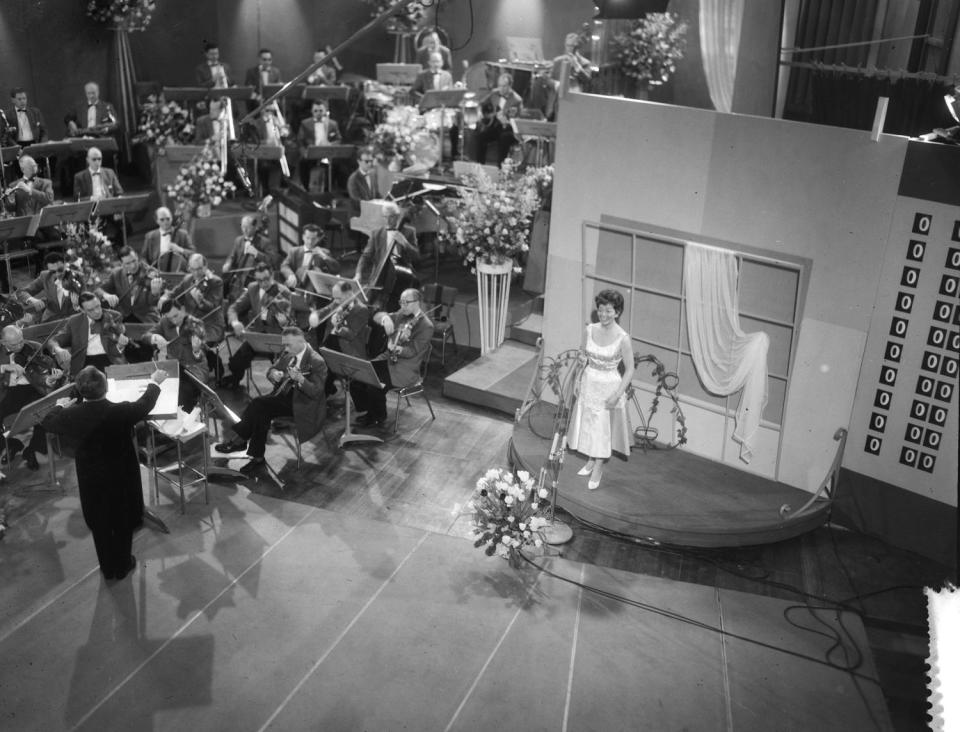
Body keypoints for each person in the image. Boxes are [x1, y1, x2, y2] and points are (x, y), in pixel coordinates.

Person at [41, 365, 168, 581]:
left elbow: (48, 423)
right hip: (121, 476)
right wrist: (155, 381)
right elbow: (145, 404)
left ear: (80, 392)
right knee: (122, 521)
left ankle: (108, 568)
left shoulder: (71, 415)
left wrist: (59, 406)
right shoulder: (120, 411)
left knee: (100, 524)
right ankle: (123, 564)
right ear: (106, 387)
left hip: (91, 478)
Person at [215, 326, 326, 472]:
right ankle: (256, 456)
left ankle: (240, 440)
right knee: (261, 410)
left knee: (258, 404)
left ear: (301, 342)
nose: (285, 348)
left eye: (288, 344)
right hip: (283, 395)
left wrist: (300, 379)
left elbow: (315, 392)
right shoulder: (289, 353)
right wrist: (274, 374)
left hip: (303, 403)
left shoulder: (316, 361)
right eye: (284, 344)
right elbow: (271, 370)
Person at [566, 289, 635, 490]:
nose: (604, 315)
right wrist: (578, 381)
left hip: (609, 387)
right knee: (588, 424)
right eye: (601, 310)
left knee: (602, 429)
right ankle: (590, 460)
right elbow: (582, 356)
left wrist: (617, 394)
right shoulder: (589, 330)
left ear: (617, 312)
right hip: (589, 382)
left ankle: (598, 467)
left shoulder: (623, 338)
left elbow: (630, 370)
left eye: (609, 311)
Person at [353, 288, 433, 427]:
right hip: (388, 358)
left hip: (405, 368)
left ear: (417, 302)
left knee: (374, 384)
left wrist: (398, 348)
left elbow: (413, 351)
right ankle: (370, 409)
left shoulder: (426, 326)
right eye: (401, 302)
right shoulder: (401, 315)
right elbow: (376, 315)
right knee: (359, 375)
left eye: (406, 303)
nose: (402, 306)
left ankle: (378, 416)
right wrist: (384, 319)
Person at [0, 325, 63, 471]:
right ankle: (11, 445)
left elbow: (41, 374)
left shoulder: (34, 347)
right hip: (6, 391)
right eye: (14, 344)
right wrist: (4, 367)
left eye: (21, 341)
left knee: (42, 413)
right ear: (3, 342)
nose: (20, 346)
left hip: (33, 388)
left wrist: (51, 379)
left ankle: (32, 450)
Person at [222, 262, 292, 389]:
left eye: (266, 279)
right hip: (258, 336)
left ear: (272, 275)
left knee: (280, 371)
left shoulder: (283, 292)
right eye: (259, 280)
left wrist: (284, 323)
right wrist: (235, 322)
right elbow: (233, 308)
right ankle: (235, 384)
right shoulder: (253, 288)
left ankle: (281, 392)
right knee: (235, 363)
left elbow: (292, 321)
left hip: (278, 339)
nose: (263, 284)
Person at [143, 300, 210, 412]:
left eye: (176, 316)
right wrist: (155, 337)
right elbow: (145, 336)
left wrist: (196, 350)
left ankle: (182, 419)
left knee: (182, 394)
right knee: (155, 387)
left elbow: (201, 356)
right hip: (173, 368)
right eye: (170, 318)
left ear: (183, 309)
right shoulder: (165, 322)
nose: (174, 321)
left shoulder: (196, 324)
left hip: (194, 370)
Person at [356, 202, 420, 314]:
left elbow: (416, 256)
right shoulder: (376, 233)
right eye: (385, 217)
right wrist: (359, 273)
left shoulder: (409, 232)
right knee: (367, 307)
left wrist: (405, 243)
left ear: (397, 216)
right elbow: (366, 256)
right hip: (379, 276)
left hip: (400, 277)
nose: (387, 221)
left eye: (391, 217)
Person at [49, 291, 129, 377]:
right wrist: (58, 349)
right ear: (82, 310)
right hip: (84, 363)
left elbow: (116, 349)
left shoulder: (114, 316)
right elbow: (53, 341)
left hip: (110, 360)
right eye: (91, 310)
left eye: (98, 306)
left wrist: (120, 345)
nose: (97, 312)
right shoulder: (74, 321)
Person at [96, 246, 164, 324]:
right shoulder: (116, 274)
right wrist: (106, 295)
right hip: (124, 317)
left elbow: (154, 303)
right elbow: (98, 290)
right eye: (128, 263)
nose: (133, 266)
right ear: (121, 263)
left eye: (134, 261)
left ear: (137, 256)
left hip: (146, 318)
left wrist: (155, 294)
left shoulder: (151, 273)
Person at [222, 213, 280, 299]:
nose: (244, 230)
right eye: (243, 227)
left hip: (254, 278)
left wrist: (257, 253)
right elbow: (232, 256)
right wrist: (228, 263)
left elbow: (272, 260)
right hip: (238, 277)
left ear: (254, 227)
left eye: (247, 227)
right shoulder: (239, 240)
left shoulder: (264, 242)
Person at [14, 252, 81, 323]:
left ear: (65, 264)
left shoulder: (78, 277)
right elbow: (20, 292)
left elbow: (89, 306)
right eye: (53, 272)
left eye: (60, 270)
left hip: (73, 319)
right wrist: (32, 300)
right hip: (50, 319)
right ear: (48, 270)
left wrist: (77, 306)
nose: (58, 274)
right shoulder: (45, 276)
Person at [474, 73, 523, 164]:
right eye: (499, 86)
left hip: (509, 130)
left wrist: (505, 122)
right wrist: (480, 112)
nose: (501, 88)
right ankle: (479, 166)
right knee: (481, 136)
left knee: (504, 138)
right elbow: (481, 103)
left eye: (504, 86)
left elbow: (517, 123)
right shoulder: (494, 93)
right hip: (495, 126)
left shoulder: (517, 100)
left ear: (510, 86)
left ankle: (500, 169)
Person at [297, 100, 340, 191]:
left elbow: (338, 139)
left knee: (337, 165)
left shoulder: (332, 124)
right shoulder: (305, 123)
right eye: (316, 111)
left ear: (325, 111)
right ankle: (307, 189)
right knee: (303, 164)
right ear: (312, 112)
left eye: (321, 111)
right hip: (312, 153)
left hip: (328, 153)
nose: (318, 113)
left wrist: (331, 144)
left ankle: (328, 190)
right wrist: (304, 153)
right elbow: (300, 141)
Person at [141, 207, 194, 272]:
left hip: (178, 272)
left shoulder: (182, 234)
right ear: (157, 221)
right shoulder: (149, 236)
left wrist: (179, 249)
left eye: (168, 219)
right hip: (156, 272)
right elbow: (143, 258)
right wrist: (150, 270)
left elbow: (193, 254)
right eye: (162, 220)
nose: (165, 222)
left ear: (171, 218)